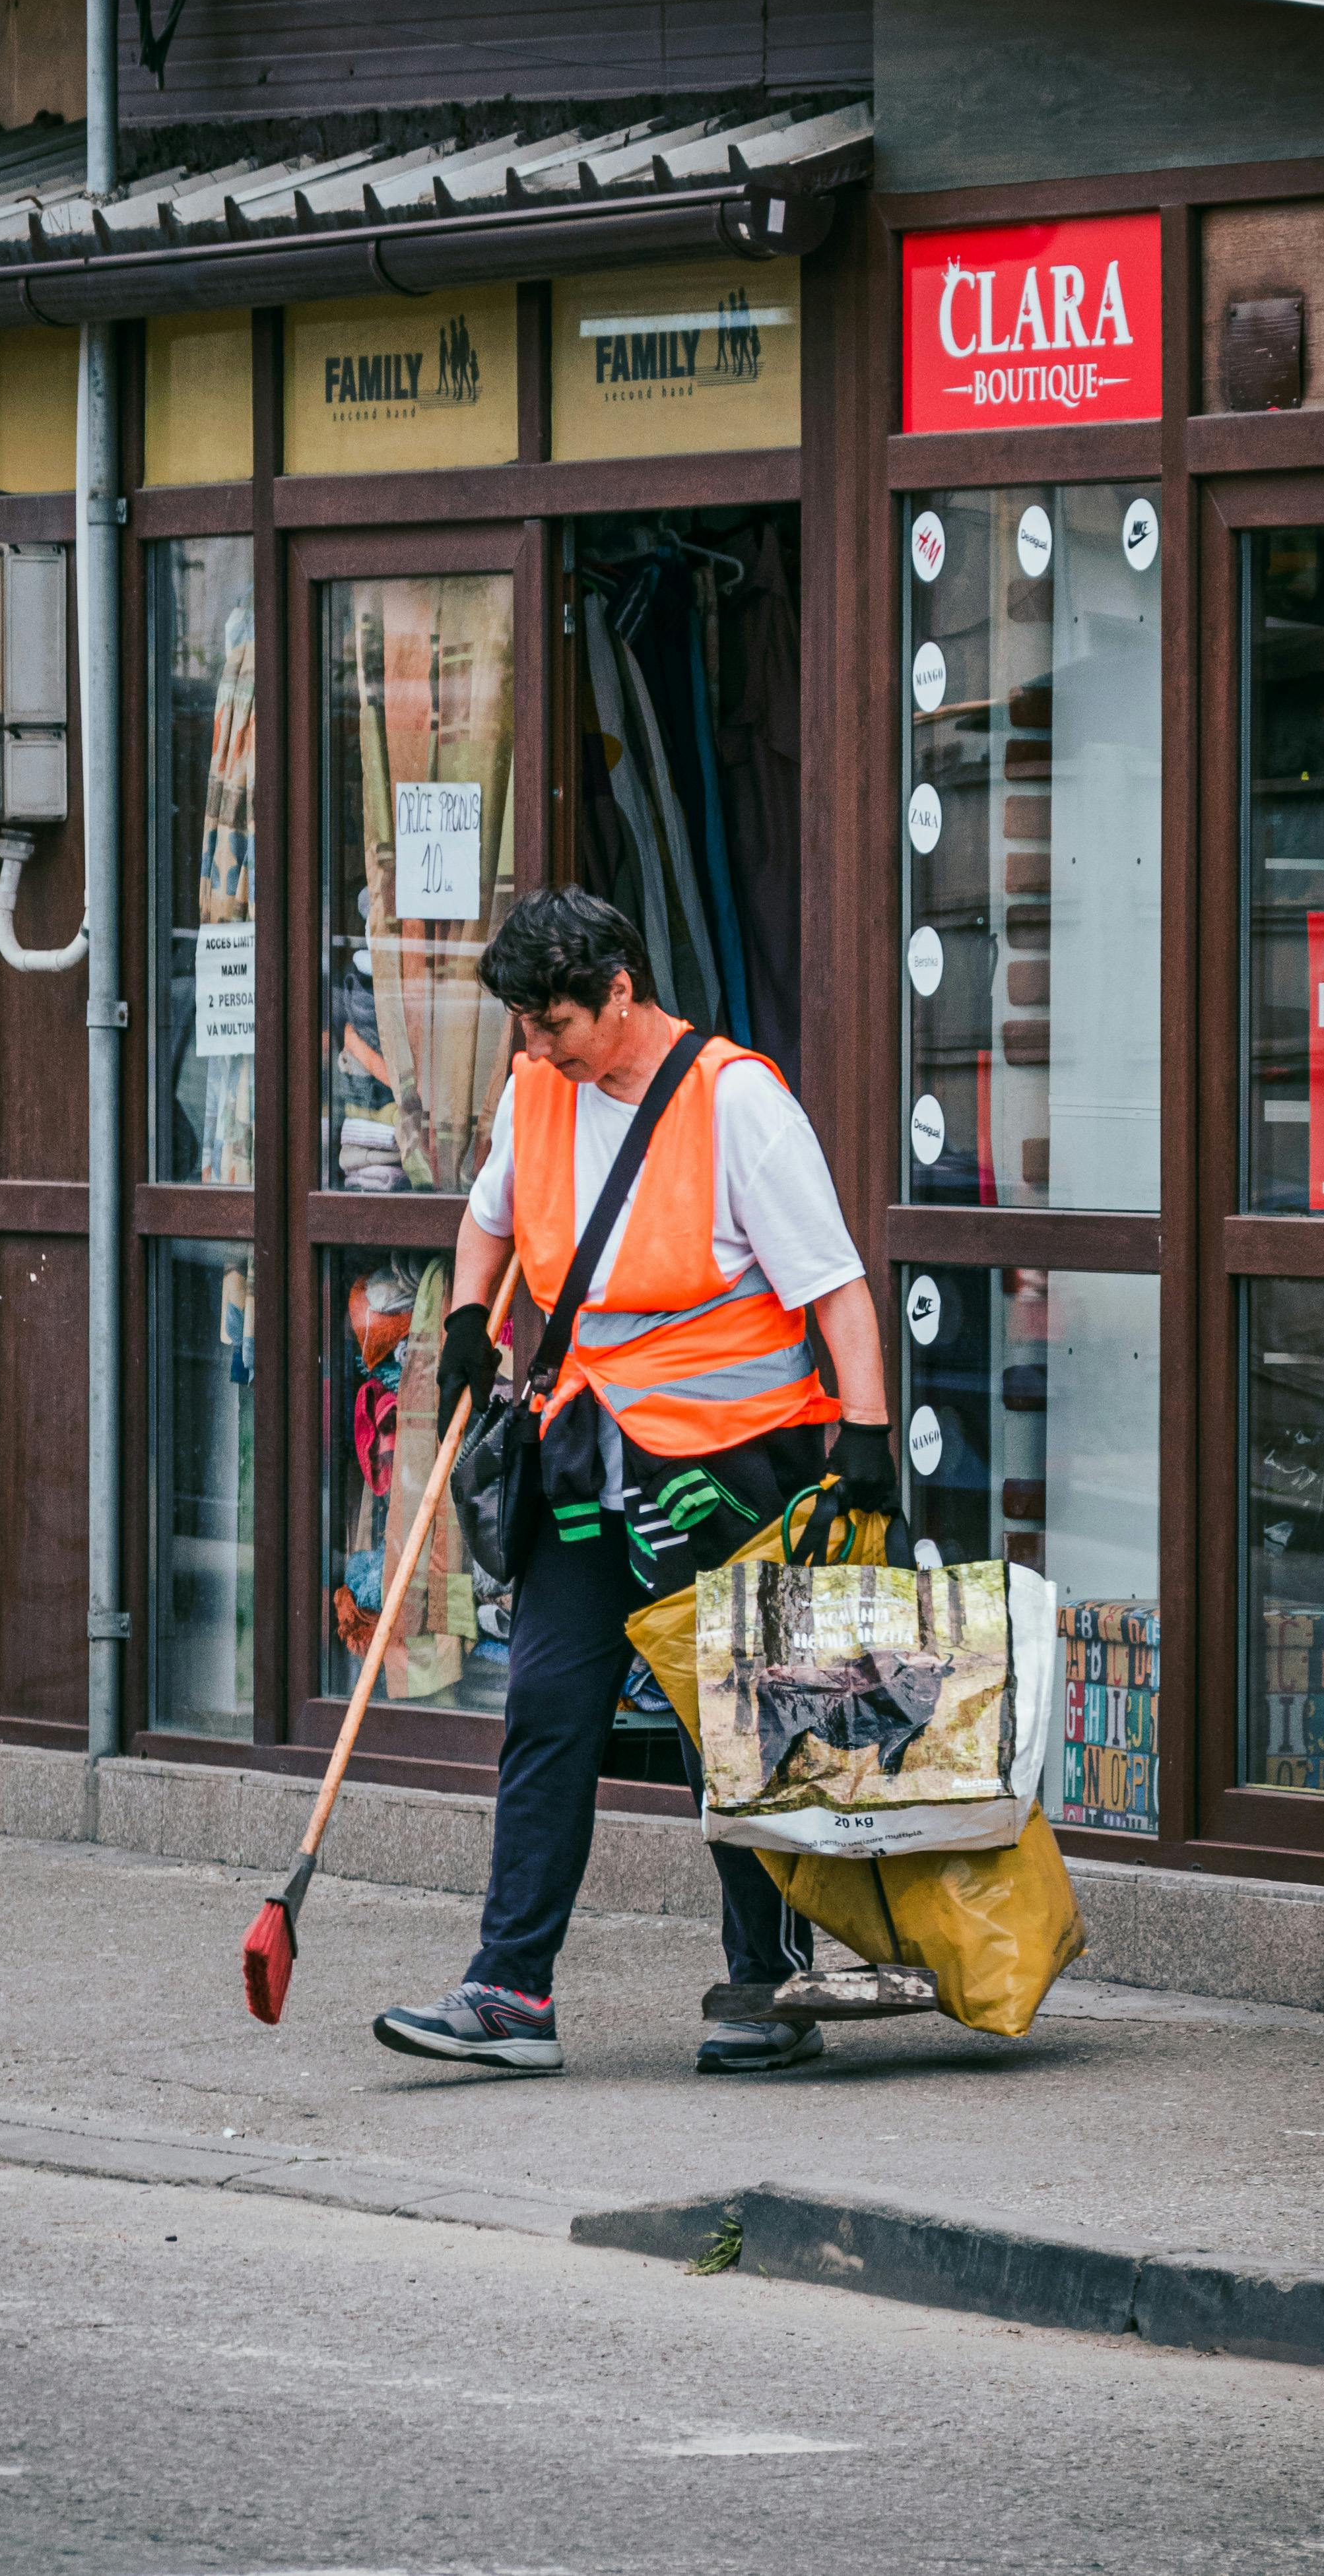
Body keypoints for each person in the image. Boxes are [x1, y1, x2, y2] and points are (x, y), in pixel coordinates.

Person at [373, 886, 905, 2080]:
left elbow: (832, 1283)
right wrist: (468, 1315)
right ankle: (509, 1992)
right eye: (521, 1025)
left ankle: (766, 1990)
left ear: (619, 991)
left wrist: (863, 1438)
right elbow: (488, 1217)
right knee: (547, 1710)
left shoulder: (736, 1102)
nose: (533, 1047)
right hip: (587, 1460)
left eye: (551, 1022)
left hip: (728, 1471)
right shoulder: (536, 1091)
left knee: (742, 1728)